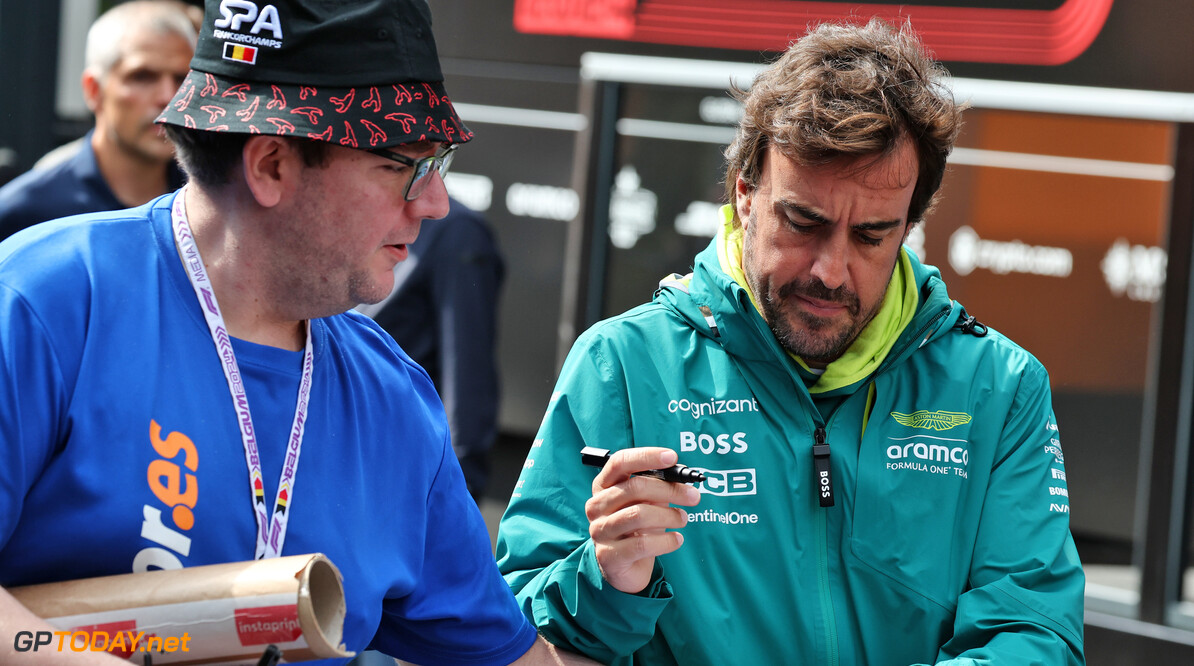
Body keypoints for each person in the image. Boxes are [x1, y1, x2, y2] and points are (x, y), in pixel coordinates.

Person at [0, 1, 593, 664]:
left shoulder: (392, 399)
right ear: (273, 164)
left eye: (440, 164)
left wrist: (616, 589)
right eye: (405, 166)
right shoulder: (44, 300)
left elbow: (507, 657)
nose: (435, 203)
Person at [496, 18, 1085, 665]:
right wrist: (606, 578)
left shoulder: (998, 387)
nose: (831, 272)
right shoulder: (623, 366)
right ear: (745, 194)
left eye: (871, 236)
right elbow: (515, 630)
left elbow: (1033, 634)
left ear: (911, 223)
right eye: (804, 222)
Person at [0, 0, 195, 242]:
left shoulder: (212, 199)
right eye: (142, 76)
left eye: (182, 79)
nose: (168, 96)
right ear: (94, 90)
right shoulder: (25, 214)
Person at [360, 197, 505, 502]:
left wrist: (457, 493)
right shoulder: (368, 216)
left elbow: (468, 374)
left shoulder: (457, 231)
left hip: (404, 478)